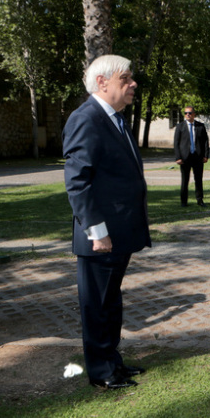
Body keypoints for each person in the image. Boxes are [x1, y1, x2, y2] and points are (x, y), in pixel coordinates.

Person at [63, 55, 151, 390]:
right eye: (126, 78)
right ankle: (101, 372)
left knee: (110, 302)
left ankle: (113, 362)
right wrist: (97, 232)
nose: (133, 84)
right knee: (97, 305)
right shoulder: (86, 118)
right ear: (103, 82)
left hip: (119, 232)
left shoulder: (114, 119)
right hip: (101, 236)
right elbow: (77, 181)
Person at [173, 106, 209, 207]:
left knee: (198, 180)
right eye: (185, 113)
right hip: (185, 158)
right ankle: (184, 202)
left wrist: (206, 155)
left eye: (189, 113)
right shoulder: (180, 127)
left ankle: (200, 200)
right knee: (185, 180)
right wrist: (178, 157)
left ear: (194, 114)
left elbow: (205, 141)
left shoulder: (200, 126)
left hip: (197, 157)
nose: (187, 115)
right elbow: (176, 143)